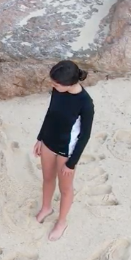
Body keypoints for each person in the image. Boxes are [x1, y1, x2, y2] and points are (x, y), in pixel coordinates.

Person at [33, 60, 95, 241]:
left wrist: (71, 163)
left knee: (65, 188)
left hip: (66, 151)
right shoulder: (58, 91)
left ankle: (61, 221)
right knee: (47, 178)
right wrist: (40, 138)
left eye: (56, 83)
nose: (52, 85)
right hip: (48, 142)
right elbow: (50, 113)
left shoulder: (85, 103)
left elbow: (84, 136)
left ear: (69, 83)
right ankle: (46, 207)